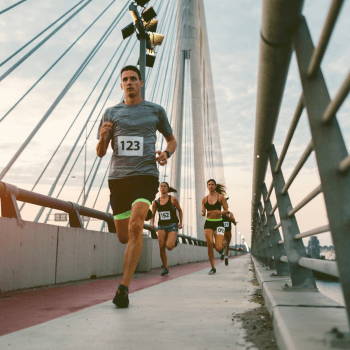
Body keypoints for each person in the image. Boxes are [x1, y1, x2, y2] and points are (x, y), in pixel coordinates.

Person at [96, 65, 177, 308]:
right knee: (123, 236)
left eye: (133, 79)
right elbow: (100, 153)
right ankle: (141, 211)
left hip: (145, 176)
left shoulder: (155, 110)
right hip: (118, 179)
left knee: (135, 225)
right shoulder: (111, 113)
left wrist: (166, 154)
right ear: (121, 85)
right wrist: (103, 137)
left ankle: (124, 288)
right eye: (125, 80)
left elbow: (171, 140)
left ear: (141, 83)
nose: (129, 82)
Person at [150, 182, 183, 276]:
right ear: (159, 189)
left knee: (169, 246)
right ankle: (165, 268)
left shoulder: (173, 199)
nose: (163, 188)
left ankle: (175, 240)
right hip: (161, 225)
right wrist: (152, 224)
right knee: (161, 246)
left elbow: (180, 210)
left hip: (172, 224)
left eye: (165, 186)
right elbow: (152, 215)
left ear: (168, 189)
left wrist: (180, 223)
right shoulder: (156, 202)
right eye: (161, 186)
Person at [201, 179, 228, 275]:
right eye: (209, 184)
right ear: (207, 186)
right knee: (209, 244)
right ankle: (213, 267)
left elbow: (226, 210)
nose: (211, 186)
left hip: (219, 223)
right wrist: (203, 212)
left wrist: (220, 212)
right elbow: (203, 209)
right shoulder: (204, 199)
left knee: (218, 247)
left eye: (212, 184)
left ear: (215, 186)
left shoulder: (220, 197)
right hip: (208, 223)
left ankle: (221, 249)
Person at [221, 199, 237, 266]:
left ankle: (226, 257)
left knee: (227, 244)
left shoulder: (230, 213)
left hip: (228, 231)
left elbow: (234, 222)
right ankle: (222, 253)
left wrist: (229, 217)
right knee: (222, 243)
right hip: (222, 231)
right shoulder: (220, 214)